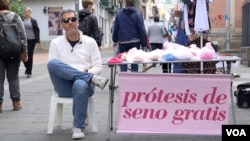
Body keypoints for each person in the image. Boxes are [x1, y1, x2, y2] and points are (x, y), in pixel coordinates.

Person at [47, 9, 109, 139]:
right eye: (66, 20)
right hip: (63, 86)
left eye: (73, 19)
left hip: (84, 87)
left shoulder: (90, 42)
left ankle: (78, 127)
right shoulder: (55, 43)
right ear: (61, 24)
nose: (70, 22)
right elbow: (54, 69)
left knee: (80, 83)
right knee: (52, 64)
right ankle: (91, 78)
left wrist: (89, 71)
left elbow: (98, 66)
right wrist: (87, 75)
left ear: (78, 22)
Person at [0, 0, 28, 113]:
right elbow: (23, 34)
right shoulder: (16, 17)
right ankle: (16, 103)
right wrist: (25, 51)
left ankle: (0, 105)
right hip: (14, 52)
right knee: (13, 77)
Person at [112, 0, 147, 72]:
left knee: (123, 62)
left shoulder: (119, 14)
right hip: (135, 42)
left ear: (125, 2)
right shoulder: (138, 14)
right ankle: (134, 81)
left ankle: (124, 80)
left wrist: (115, 40)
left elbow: (116, 28)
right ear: (134, 3)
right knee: (134, 62)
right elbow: (142, 29)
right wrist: (144, 44)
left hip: (123, 42)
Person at [22, 7, 40, 78]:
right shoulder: (22, 20)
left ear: (30, 13)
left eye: (28, 12)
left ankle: (29, 72)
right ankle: (27, 68)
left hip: (31, 40)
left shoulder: (33, 21)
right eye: (26, 11)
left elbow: (37, 30)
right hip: (23, 40)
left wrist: (37, 41)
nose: (27, 13)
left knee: (29, 55)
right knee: (22, 55)